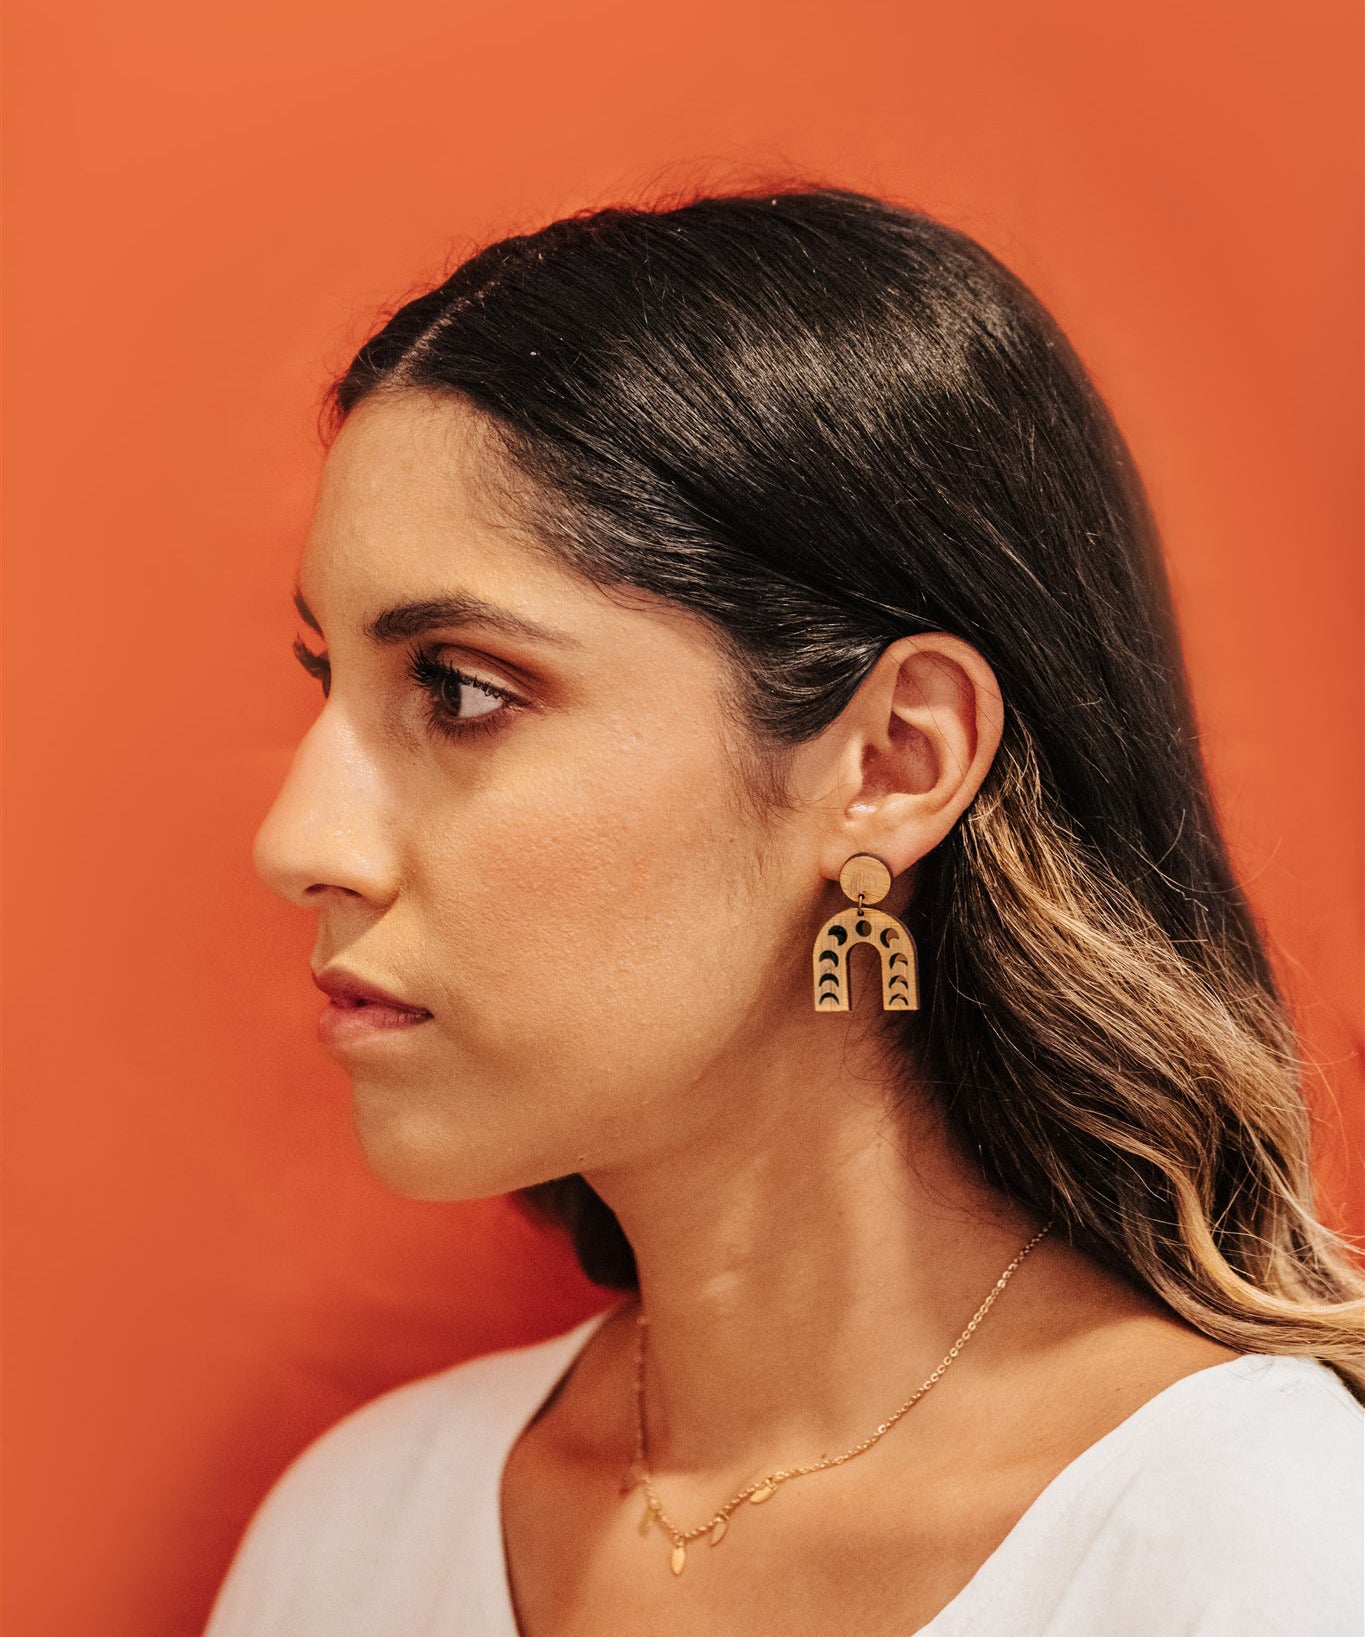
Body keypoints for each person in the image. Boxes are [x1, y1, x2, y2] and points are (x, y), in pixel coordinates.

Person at [202, 185, 1364, 1637]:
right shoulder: (358, 1531)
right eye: (331, 688)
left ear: (890, 761)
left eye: (462, 688)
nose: (296, 840)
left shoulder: (1258, 1552)